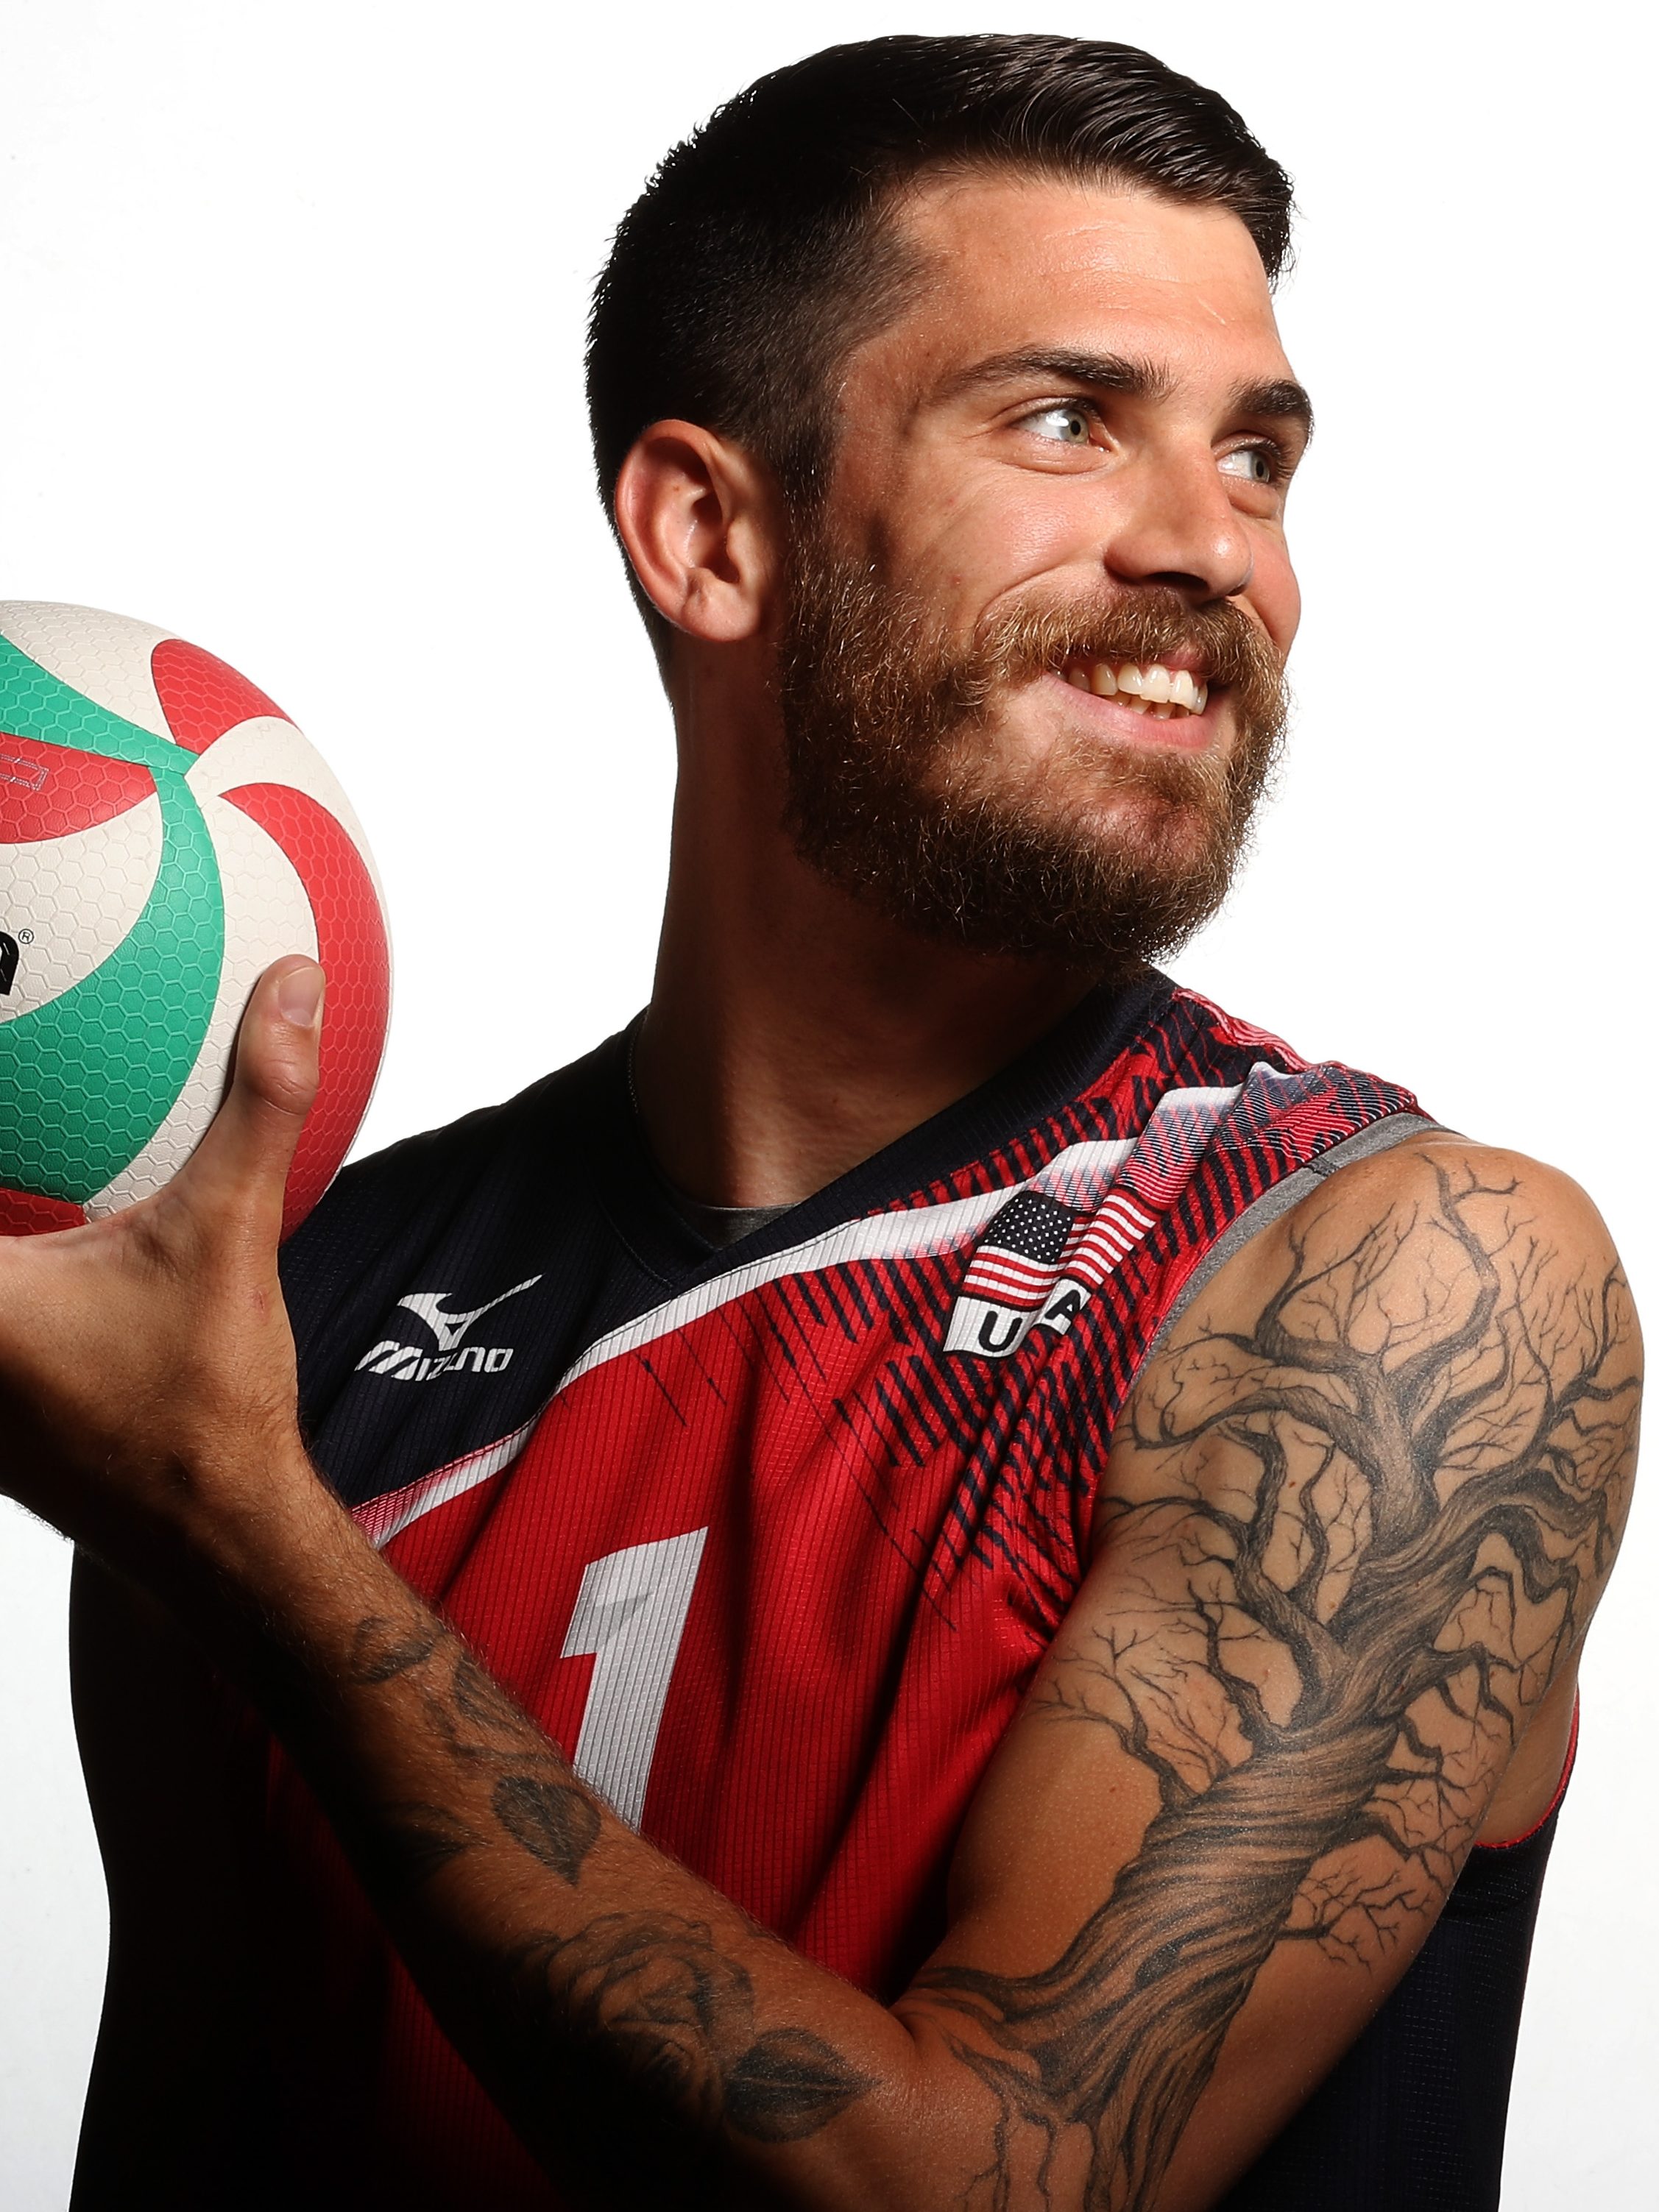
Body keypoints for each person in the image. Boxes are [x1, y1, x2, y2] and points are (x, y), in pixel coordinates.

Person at [1, 33, 1637, 2212]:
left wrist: (241, 1533)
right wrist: (216, 1486)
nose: (1213, 549)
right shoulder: (284, 1324)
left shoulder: (1407, 1282)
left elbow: (984, 2195)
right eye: (1070, 420)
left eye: (1258, 457)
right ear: (709, 531)